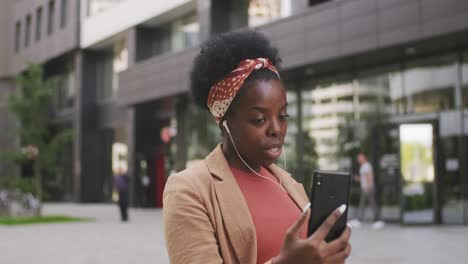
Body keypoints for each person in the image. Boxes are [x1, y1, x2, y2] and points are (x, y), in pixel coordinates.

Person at [163, 31, 352, 264]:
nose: (276, 129)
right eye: (259, 120)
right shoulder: (189, 190)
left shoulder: (290, 185)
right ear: (224, 120)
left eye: (283, 116)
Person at [351, 152, 384, 229]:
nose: (358, 159)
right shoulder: (363, 166)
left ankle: (378, 220)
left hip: (368, 188)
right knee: (364, 204)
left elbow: (369, 176)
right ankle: (360, 220)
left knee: (371, 204)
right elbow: (364, 178)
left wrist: (368, 187)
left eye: (359, 158)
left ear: (363, 157)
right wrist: (358, 178)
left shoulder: (366, 165)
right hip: (365, 188)